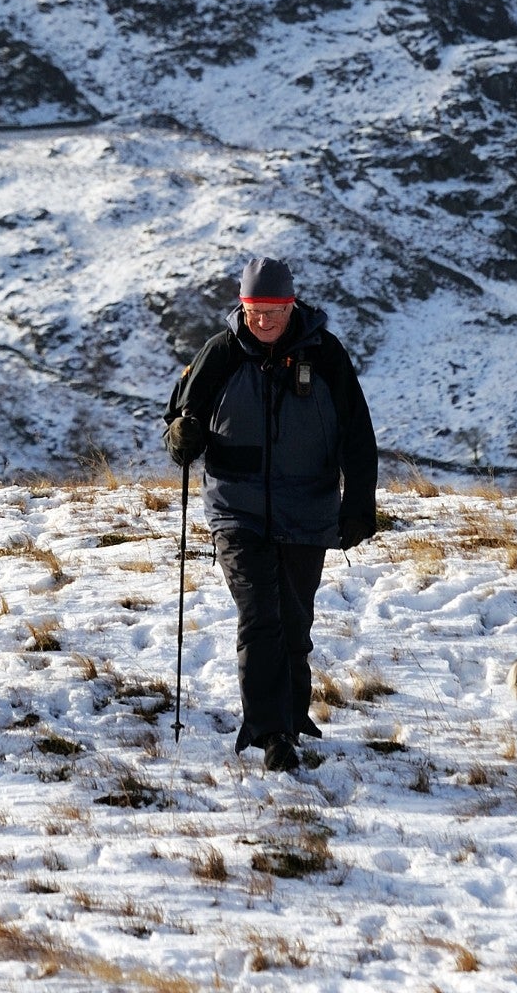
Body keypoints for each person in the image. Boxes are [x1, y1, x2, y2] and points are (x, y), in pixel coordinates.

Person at [164, 256, 379, 771]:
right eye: (255, 309)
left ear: (292, 304)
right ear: (243, 305)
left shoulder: (324, 354)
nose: (264, 320)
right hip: (236, 510)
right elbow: (177, 424)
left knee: (294, 621)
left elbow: (358, 434)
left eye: (274, 309)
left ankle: (290, 714)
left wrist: (359, 504)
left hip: (307, 508)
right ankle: (271, 732)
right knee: (260, 616)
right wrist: (182, 437)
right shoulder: (219, 354)